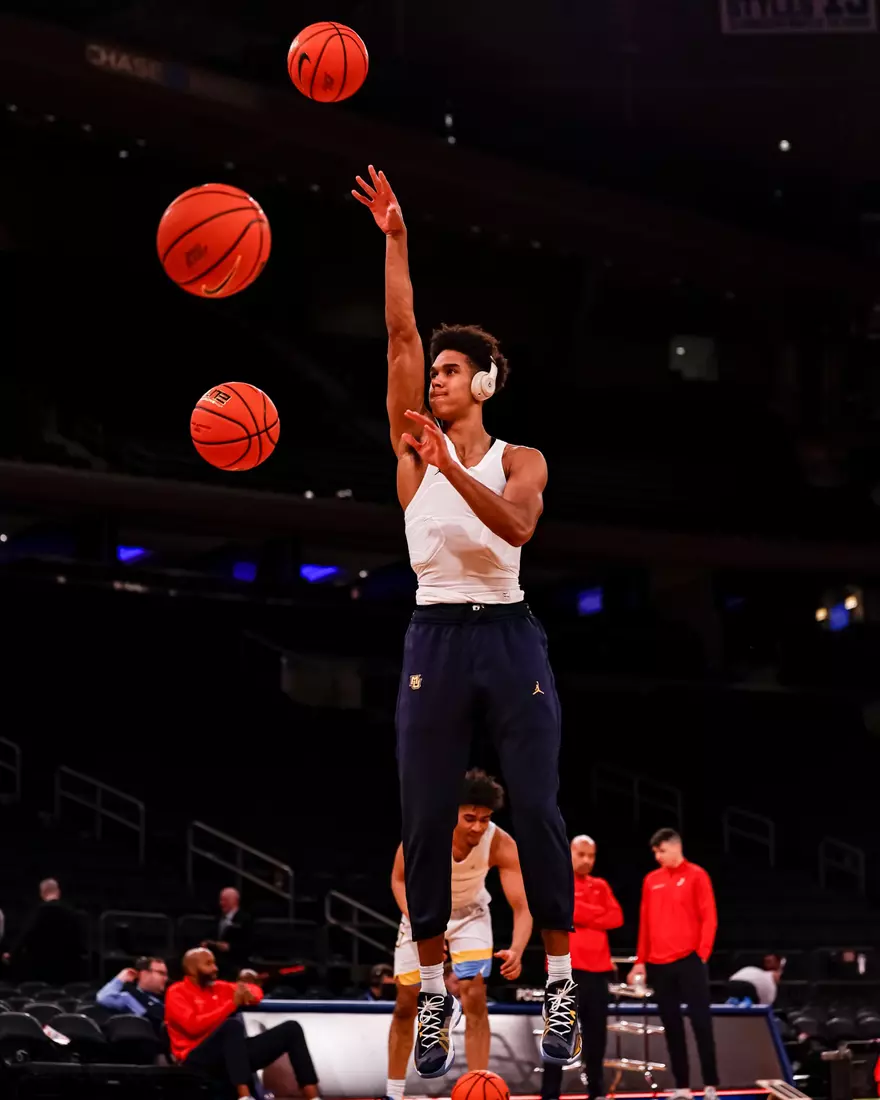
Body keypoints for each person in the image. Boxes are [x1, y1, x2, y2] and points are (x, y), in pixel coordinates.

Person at [352, 164, 578, 1077]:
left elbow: (518, 528)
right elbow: (401, 331)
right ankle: (437, 992)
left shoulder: (521, 459)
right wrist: (397, 240)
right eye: (435, 371)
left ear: (483, 383)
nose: (436, 380)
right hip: (435, 635)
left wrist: (453, 467)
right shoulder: (414, 450)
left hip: (509, 632)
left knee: (539, 802)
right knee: (422, 814)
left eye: (452, 372)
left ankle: (560, 983)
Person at [386, 769, 533, 1091]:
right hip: (423, 913)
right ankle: (394, 1093)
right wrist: (422, 927)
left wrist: (517, 949)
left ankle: (477, 1088)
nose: (478, 827)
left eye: (484, 819)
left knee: (475, 994)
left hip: (471, 915)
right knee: (406, 1004)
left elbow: (522, 906)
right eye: (469, 818)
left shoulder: (500, 842)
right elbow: (398, 879)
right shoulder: (426, 831)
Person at [628, 829, 719, 1100]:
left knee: (701, 1023)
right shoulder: (651, 880)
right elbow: (645, 922)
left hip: (689, 960)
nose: (658, 857)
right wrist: (640, 961)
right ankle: (682, 1088)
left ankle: (710, 1085)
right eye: (655, 852)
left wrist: (702, 954)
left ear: (675, 847)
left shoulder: (697, 875)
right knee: (672, 1027)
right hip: (659, 964)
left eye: (661, 851)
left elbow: (709, 916)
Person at [165, 948, 322, 1100]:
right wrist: (232, 1004)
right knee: (232, 1026)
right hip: (195, 1057)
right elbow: (193, 1027)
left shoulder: (220, 987)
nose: (215, 968)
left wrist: (249, 994)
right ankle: (244, 1096)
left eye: (214, 963)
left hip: (230, 1055)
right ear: (192, 969)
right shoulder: (176, 991)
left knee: (291, 1029)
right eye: (208, 964)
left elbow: (254, 990)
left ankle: (313, 1096)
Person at [542, 836, 623, 1100]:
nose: (587, 860)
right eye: (581, 855)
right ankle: (550, 1094)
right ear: (570, 853)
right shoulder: (558, 881)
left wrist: (580, 912)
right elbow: (562, 911)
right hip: (564, 971)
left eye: (591, 855)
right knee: (558, 1033)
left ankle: (596, 1092)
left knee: (597, 1037)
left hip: (598, 972)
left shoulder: (601, 885)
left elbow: (616, 917)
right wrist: (595, 913)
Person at [3, 878, 86, 984]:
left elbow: (25, 936)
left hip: (40, 969)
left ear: (42, 893)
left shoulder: (37, 913)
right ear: (58, 892)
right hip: (67, 969)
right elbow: (79, 940)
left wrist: (11, 953)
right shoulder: (71, 912)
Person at [96, 956, 168, 1033]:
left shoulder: (166, 997)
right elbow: (103, 997)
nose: (166, 978)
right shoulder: (129, 996)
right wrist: (120, 978)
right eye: (161, 973)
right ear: (145, 974)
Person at [203, 887, 252, 980]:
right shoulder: (218, 917)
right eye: (221, 900)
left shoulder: (245, 919)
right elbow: (211, 935)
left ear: (234, 901)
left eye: (225, 900)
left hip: (235, 963)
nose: (221, 903)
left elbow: (249, 943)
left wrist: (230, 947)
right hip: (217, 962)